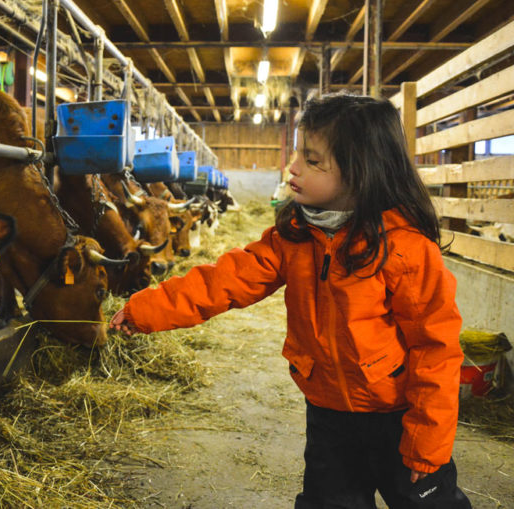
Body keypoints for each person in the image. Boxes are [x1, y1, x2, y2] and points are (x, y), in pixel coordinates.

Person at [110, 93, 471, 508]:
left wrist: (427, 440)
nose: (293, 168)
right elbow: (222, 282)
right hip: (328, 414)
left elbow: (435, 346)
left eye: (312, 160)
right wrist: (145, 309)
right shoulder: (293, 237)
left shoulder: (404, 248)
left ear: (360, 171)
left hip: (398, 415)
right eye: (298, 154)